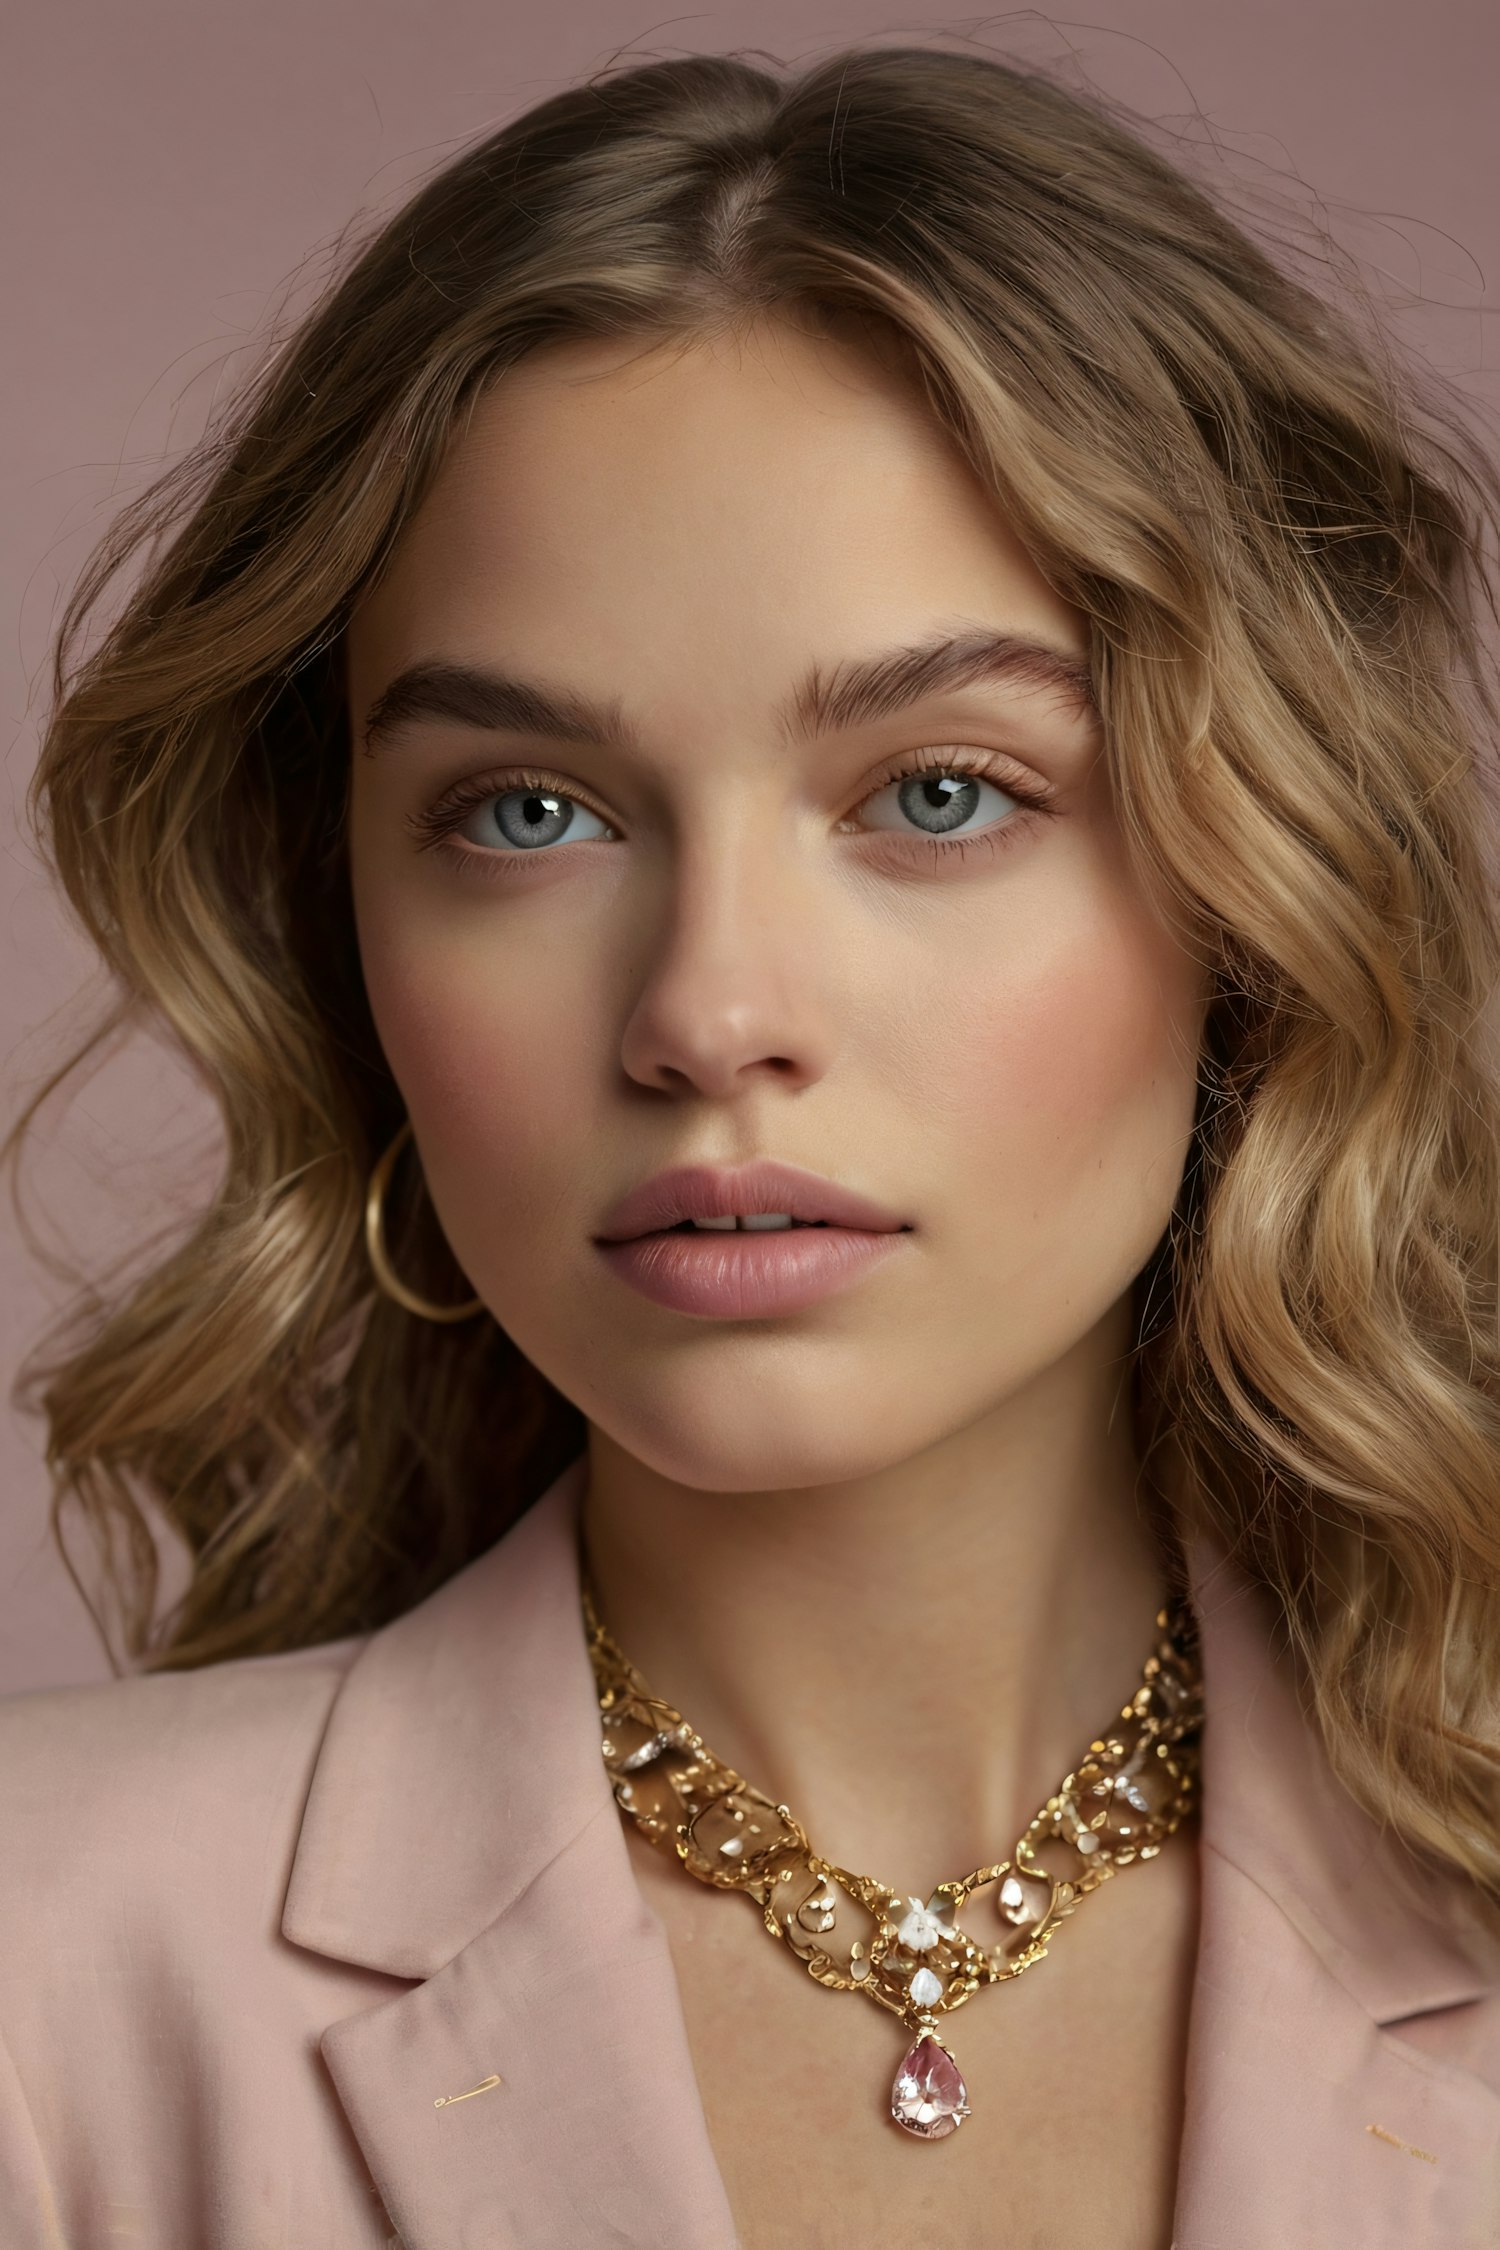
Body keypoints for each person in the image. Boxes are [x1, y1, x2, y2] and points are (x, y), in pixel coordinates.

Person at [3, 39, 1499, 2250]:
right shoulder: (44, 1980)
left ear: (1258, 892)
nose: (710, 1012)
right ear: (350, 931)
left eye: (940, 792)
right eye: (528, 812)